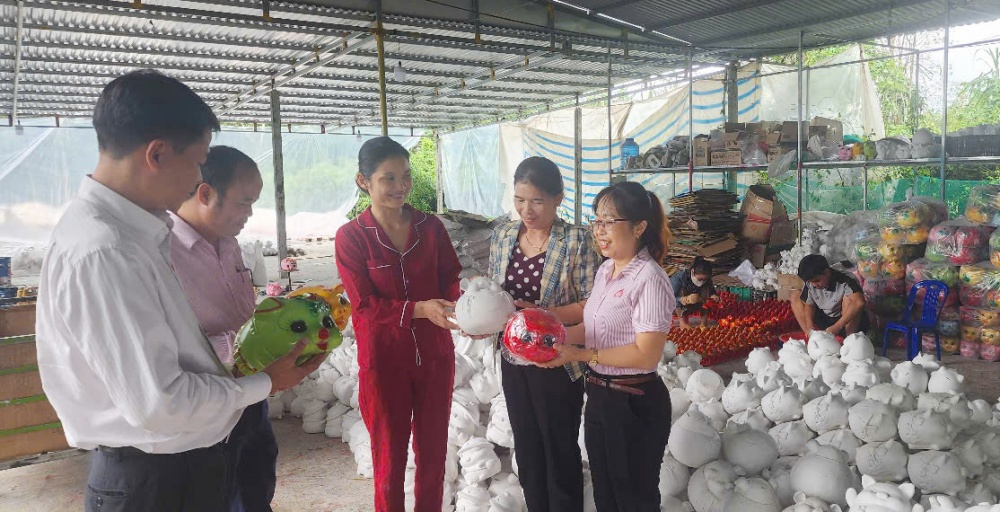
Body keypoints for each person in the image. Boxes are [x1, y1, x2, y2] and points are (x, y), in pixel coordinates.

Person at [35, 69, 321, 512]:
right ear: (157, 154)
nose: (195, 181)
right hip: (155, 480)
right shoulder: (105, 251)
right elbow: (161, 404)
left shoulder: (136, 237)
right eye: (198, 160)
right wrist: (264, 383)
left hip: (182, 466)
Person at [335, 136, 463, 512]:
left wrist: (467, 304)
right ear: (364, 182)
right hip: (384, 359)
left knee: (433, 453)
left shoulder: (431, 228)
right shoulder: (352, 237)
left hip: (435, 355)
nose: (400, 187)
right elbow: (365, 304)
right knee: (388, 457)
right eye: (388, 179)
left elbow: (451, 276)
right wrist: (419, 309)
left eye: (405, 176)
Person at [537, 180, 675, 512]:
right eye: (596, 220)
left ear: (639, 226)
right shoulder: (606, 270)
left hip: (634, 402)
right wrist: (556, 338)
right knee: (605, 496)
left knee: (633, 499)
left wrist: (582, 355)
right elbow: (593, 327)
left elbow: (646, 354)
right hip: (600, 396)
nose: (599, 230)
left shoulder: (650, 280)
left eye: (609, 221)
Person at [487, 156, 600, 512]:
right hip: (513, 358)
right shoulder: (504, 234)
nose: (527, 210)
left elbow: (591, 302)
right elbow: (497, 293)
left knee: (559, 447)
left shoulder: (576, 240)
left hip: (557, 360)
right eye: (520, 200)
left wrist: (542, 316)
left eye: (536, 201)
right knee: (527, 445)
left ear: (558, 198)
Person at [170, 145, 278, 512]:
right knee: (215, 493)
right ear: (205, 193)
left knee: (256, 486)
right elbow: (172, 349)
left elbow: (244, 315)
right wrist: (240, 345)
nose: (250, 213)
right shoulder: (161, 253)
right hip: (205, 404)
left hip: (250, 393)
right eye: (244, 202)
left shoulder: (230, 245)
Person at [792, 254, 869, 336]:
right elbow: (809, 305)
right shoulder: (810, 282)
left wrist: (837, 326)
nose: (814, 285)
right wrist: (809, 326)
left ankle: (849, 340)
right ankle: (812, 337)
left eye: (817, 281)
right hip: (825, 318)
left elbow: (859, 302)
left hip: (843, 320)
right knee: (795, 297)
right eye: (811, 282)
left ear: (827, 272)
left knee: (849, 300)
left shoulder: (845, 279)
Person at [670, 256, 719, 329]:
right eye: (700, 279)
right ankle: (683, 322)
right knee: (682, 292)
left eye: (704, 279)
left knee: (707, 296)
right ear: (692, 272)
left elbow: (712, 293)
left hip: (695, 305)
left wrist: (714, 297)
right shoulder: (679, 279)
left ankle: (703, 324)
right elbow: (668, 299)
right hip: (675, 307)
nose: (702, 282)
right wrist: (685, 299)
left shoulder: (707, 281)